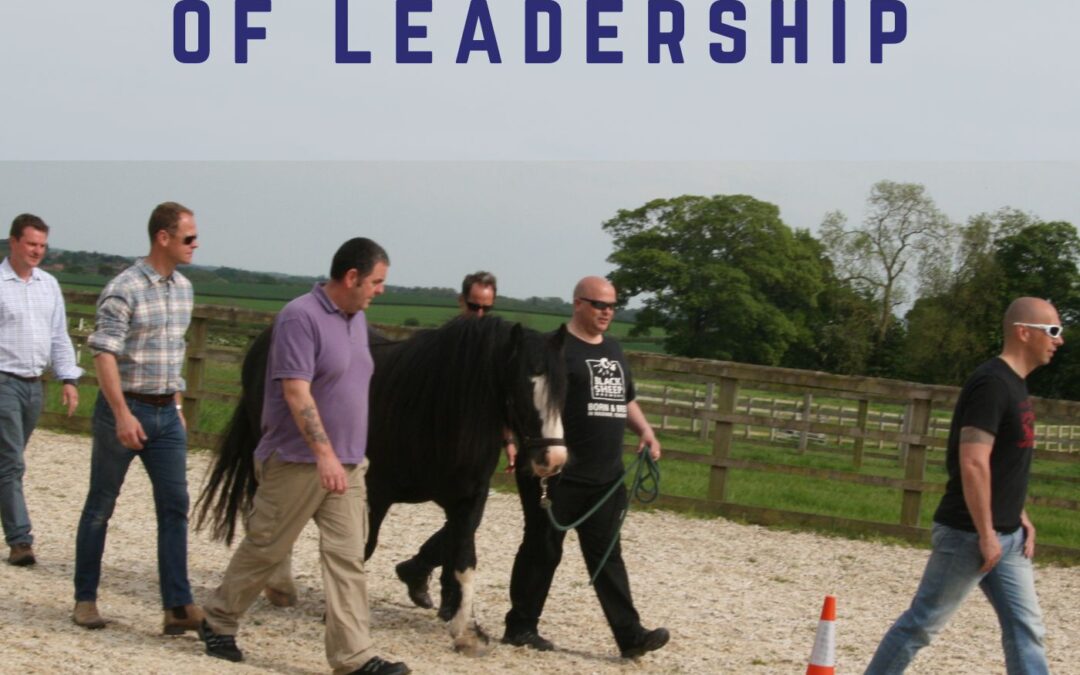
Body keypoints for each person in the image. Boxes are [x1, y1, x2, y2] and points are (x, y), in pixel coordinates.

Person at [198, 238, 410, 675]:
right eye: (376, 281)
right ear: (351, 277)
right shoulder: (300, 317)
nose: (381, 290)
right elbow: (296, 391)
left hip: (349, 464)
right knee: (267, 548)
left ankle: (353, 658)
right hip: (297, 461)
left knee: (347, 558)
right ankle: (218, 618)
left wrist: (346, 456)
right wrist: (325, 455)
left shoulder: (356, 321)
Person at [864, 297, 1061, 674]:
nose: (1059, 340)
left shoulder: (1015, 385)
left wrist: (1019, 515)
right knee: (922, 625)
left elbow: (1003, 463)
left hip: (1007, 535)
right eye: (1052, 330)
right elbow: (972, 461)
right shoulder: (992, 383)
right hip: (969, 534)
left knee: (1027, 629)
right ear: (1023, 332)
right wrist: (986, 532)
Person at [502, 275, 669, 659]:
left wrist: (645, 430)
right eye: (599, 304)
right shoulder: (552, 349)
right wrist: (512, 440)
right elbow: (526, 402)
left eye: (612, 305)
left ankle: (630, 636)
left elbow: (625, 399)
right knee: (542, 549)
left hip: (605, 477)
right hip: (559, 475)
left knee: (608, 556)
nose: (607, 312)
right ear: (578, 304)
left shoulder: (613, 349)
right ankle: (521, 626)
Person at [73, 202, 201, 633]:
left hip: (167, 413)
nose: (195, 244)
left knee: (175, 506)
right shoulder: (123, 288)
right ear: (162, 238)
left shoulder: (183, 288)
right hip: (125, 412)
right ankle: (85, 599)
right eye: (188, 237)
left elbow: (176, 351)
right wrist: (122, 414)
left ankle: (177, 606)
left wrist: (179, 406)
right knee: (100, 506)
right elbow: (103, 353)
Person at [393, 270, 516, 612]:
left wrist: (508, 439)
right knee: (463, 525)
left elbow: (502, 398)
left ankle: (418, 568)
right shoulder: (442, 346)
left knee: (468, 523)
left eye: (485, 309)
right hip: (438, 448)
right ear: (461, 301)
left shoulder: (495, 350)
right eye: (473, 306)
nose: (479, 315)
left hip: (478, 450)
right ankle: (432, 581)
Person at [0, 214, 82, 567]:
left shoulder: (49, 285)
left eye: (42, 246)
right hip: (3, 381)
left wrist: (69, 379)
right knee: (11, 463)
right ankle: (21, 540)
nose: (37, 251)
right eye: (31, 244)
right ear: (14, 242)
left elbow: (58, 336)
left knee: (8, 462)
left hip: (35, 385)